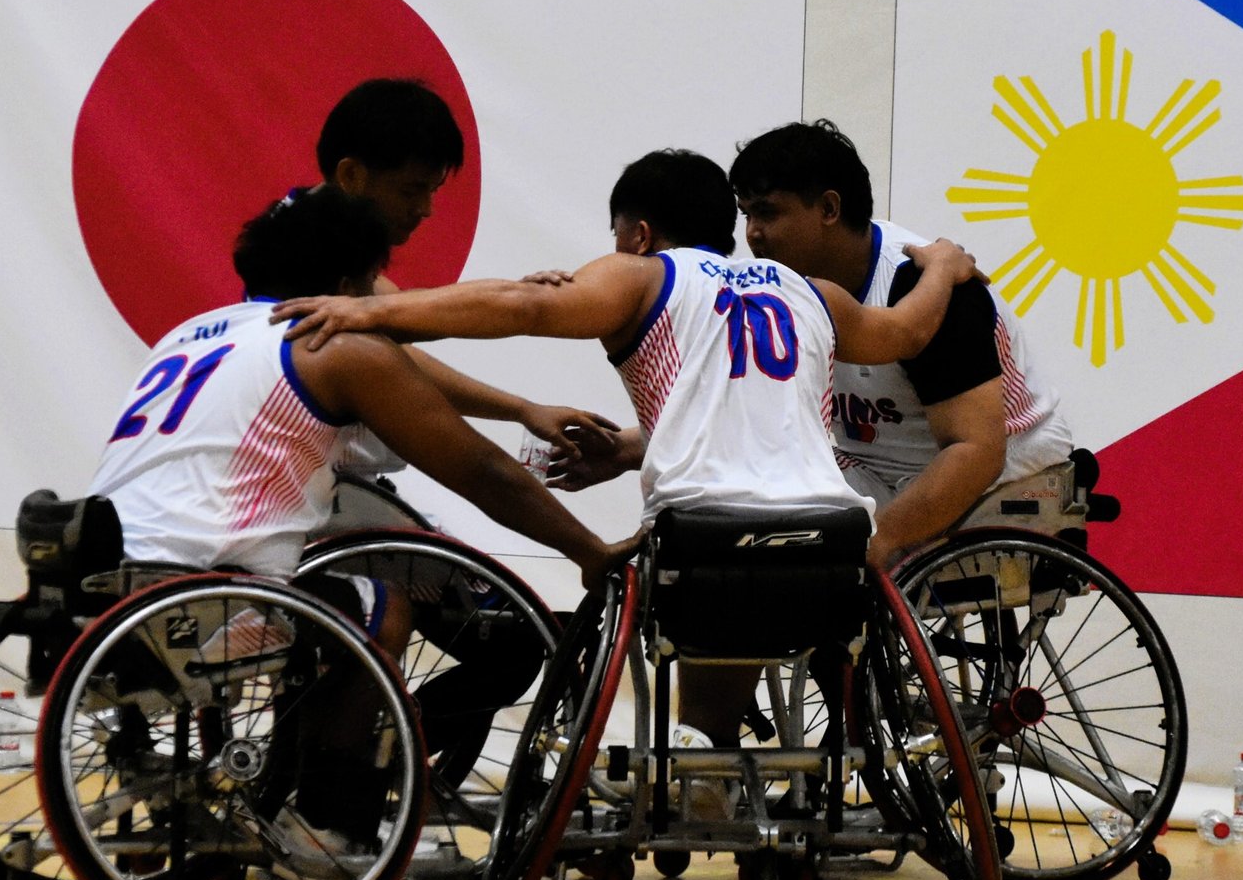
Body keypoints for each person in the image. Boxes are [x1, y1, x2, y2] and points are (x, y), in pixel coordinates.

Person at [267, 148, 983, 793]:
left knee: (659, 598)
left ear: (638, 234)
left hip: (701, 542)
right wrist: (945, 268)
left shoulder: (643, 276)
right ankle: (718, 757)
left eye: (616, 239)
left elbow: (520, 307)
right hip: (828, 546)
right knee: (765, 620)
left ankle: (684, 760)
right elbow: (907, 331)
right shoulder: (812, 293)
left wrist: (368, 315)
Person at [90, 186, 634, 855]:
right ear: (351, 288)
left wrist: (517, 406)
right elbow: (480, 471)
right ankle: (328, 824)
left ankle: (319, 784)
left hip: (102, 583)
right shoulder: (336, 347)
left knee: (345, 587)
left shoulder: (194, 334)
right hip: (203, 595)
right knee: (379, 604)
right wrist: (587, 547)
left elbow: (383, 417)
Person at [729, 120, 1074, 567]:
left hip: (1001, 468)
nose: (752, 233)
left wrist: (885, 537)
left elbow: (977, 453)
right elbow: (745, 410)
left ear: (830, 208)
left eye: (768, 212)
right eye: (746, 215)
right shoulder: (784, 290)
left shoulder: (924, 285)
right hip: (877, 470)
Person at [301, 77, 616, 489]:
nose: (426, 209)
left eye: (432, 191)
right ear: (351, 174)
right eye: (412, 189)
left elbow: (398, 341)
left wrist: (522, 407)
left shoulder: (339, 260)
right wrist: (514, 301)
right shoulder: (302, 255)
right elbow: (395, 340)